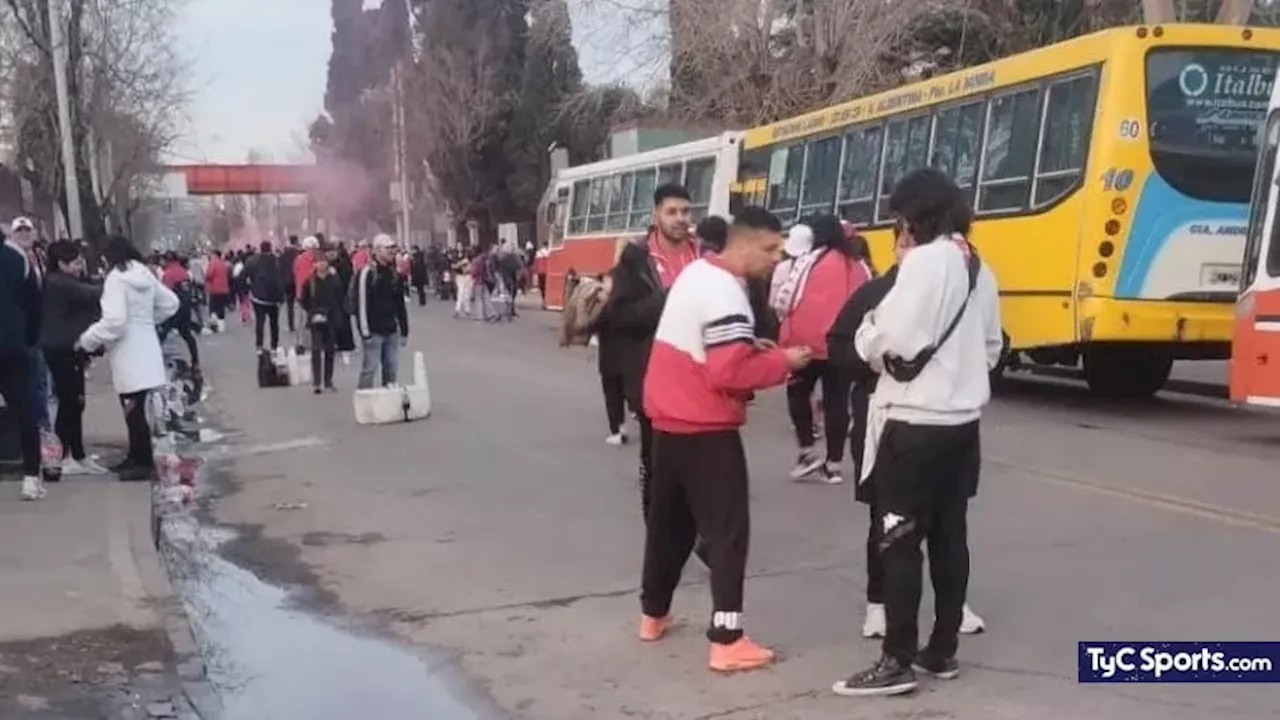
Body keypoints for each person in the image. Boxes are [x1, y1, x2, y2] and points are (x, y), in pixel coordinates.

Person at [833, 168, 1001, 697]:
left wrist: (866, 340)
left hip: (913, 425)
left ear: (916, 213)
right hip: (962, 426)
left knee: (899, 540)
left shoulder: (925, 261)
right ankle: (941, 648)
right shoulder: (979, 267)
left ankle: (896, 658)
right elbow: (993, 346)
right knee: (951, 535)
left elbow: (893, 338)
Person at [638, 206, 811, 673]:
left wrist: (750, 348)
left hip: (668, 419)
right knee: (728, 534)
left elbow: (703, 346)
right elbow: (727, 370)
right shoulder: (727, 292)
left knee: (667, 525)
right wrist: (784, 363)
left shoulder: (696, 274)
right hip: (707, 427)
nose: (777, 259)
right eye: (771, 249)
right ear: (745, 244)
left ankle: (653, 613)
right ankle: (727, 637)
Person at [778, 214, 872, 484]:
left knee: (797, 392)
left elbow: (785, 297)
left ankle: (807, 450)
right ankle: (834, 464)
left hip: (806, 343)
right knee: (836, 401)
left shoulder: (809, 261)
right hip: (843, 344)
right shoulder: (858, 265)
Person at [77, 236, 180, 482]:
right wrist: (146, 322)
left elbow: (115, 321)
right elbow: (171, 303)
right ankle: (135, 456)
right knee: (135, 409)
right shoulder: (144, 273)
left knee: (132, 410)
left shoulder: (116, 279)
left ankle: (142, 462)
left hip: (127, 352)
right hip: (146, 348)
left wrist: (87, 340)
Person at [40, 240, 108, 476]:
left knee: (75, 402)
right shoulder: (60, 283)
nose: (80, 266)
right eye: (76, 262)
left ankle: (77, 454)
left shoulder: (62, 281)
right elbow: (93, 294)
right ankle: (65, 455)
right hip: (61, 350)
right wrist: (116, 279)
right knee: (69, 403)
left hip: (67, 348)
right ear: (61, 263)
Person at [1, 224, 45, 500]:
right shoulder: (18, 258)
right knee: (24, 410)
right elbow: (35, 302)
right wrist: (28, 339)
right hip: (12, 345)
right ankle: (30, 477)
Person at [349, 234, 409, 388]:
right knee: (369, 370)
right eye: (387, 248)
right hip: (373, 331)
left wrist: (404, 330)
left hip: (391, 329)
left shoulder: (394, 273)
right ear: (376, 250)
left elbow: (399, 303)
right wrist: (365, 332)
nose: (391, 251)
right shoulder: (367, 273)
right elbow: (361, 305)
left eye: (392, 248)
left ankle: (387, 405)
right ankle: (364, 403)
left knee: (391, 371)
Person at [9, 217, 51, 433]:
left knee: (41, 382)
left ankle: (42, 425)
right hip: (20, 332)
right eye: (20, 231)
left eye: (27, 231)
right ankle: (32, 428)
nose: (24, 235)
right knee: (28, 383)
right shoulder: (12, 259)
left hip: (39, 328)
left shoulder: (38, 257)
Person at [300, 247, 343, 394]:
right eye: (319, 262)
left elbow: (339, 298)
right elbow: (303, 300)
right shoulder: (310, 281)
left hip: (331, 318)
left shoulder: (334, 279)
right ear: (315, 264)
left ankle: (328, 381)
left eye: (324, 262)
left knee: (330, 351)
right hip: (315, 319)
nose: (321, 265)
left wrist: (337, 315)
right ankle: (317, 382)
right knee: (316, 350)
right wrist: (312, 313)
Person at [159, 252, 201, 369]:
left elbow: (164, 294)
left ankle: (155, 362)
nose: (161, 263)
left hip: (173, 310)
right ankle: (195, 360)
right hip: (185, 308)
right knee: (187, 334)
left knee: (161, 335)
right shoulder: (184, 272)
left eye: (163, 261)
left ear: (168, 260)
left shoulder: (168, 274)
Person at [247, 241, 284, 350]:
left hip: (257, 296)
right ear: (270, 248)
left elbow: (244, 275)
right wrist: (281, 297)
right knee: (274, 323)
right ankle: (274, 345)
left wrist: (250, 287)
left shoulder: (252, 261)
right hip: (273, 298)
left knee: (260, 322)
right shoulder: (276, 261)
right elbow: (279, 280)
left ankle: (259, 345)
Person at [204, 250, 231, 332]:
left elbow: (209, 274)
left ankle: (214, 325)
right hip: (224, 288)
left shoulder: (213, 262)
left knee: (213, 307)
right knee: (221, 307)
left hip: (214, 288)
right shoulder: (223, 263)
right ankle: (222, 325)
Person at [279, 236, 300, 334]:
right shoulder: (298, 254)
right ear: (296, 241)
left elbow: (280, 268)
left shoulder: (283, 254)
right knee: (302, 304)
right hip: (298, 281)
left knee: (290, 305)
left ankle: (291, 325)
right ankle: (303, 324)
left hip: (287, 282)